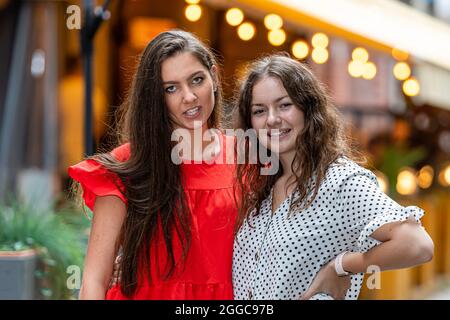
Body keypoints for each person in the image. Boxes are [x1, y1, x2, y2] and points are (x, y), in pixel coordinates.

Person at [232, 54, 434, 300]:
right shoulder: (261, 186)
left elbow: (417, 245)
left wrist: (343, 265)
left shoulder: (339, 180)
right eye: (259, 110)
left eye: (284, 105)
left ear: (308, 108)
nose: (272, 119)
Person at [68, 30, 237, 299]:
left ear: (214, 77)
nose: (189, 96)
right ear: (156, 97)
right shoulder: (128, 165)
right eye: (171, 88)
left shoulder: (247, 158)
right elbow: (93, 280)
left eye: (197, 80)